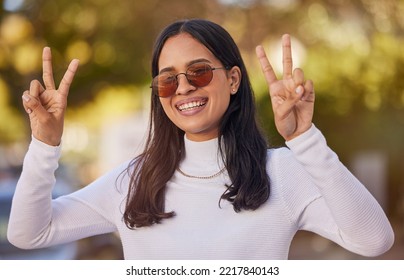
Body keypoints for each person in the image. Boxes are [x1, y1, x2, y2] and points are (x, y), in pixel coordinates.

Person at [8, 19, 394, 259]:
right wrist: (44, 144)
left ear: (233, 79)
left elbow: (374, 240)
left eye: (199, 72)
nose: (183, 88)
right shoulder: (132, 180)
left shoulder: (284, 171)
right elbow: (29, 233)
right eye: (167, 78)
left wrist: (305, 139)